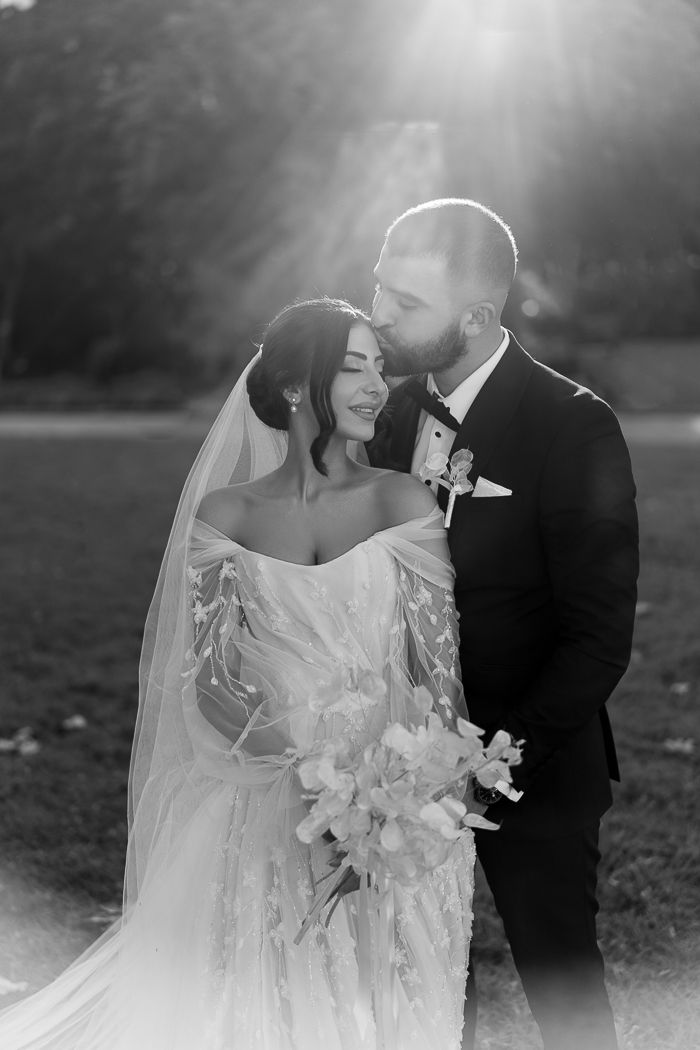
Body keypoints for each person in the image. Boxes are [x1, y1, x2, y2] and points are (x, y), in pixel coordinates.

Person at [0, 298, 476, 1050]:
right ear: (293, 388)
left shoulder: (401, 499)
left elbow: (437, 671)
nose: (375, 385)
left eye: (378, 367)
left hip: (395, 801)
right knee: (267, 997)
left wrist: (405, 792)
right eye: (351, 367)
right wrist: (307, 782)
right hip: (265, 793)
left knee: (386, 995)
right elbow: (211, 676)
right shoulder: (227, 515)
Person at [367, 199, 639, 1050]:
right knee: (416, 985)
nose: (379, 316)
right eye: (379, 290)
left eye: (406, 304)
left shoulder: (574, 425)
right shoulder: (380, 414)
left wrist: (487, 765)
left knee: (564, 993)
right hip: (384, 766)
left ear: (477, 316)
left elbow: (597, 636)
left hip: (533, 772)